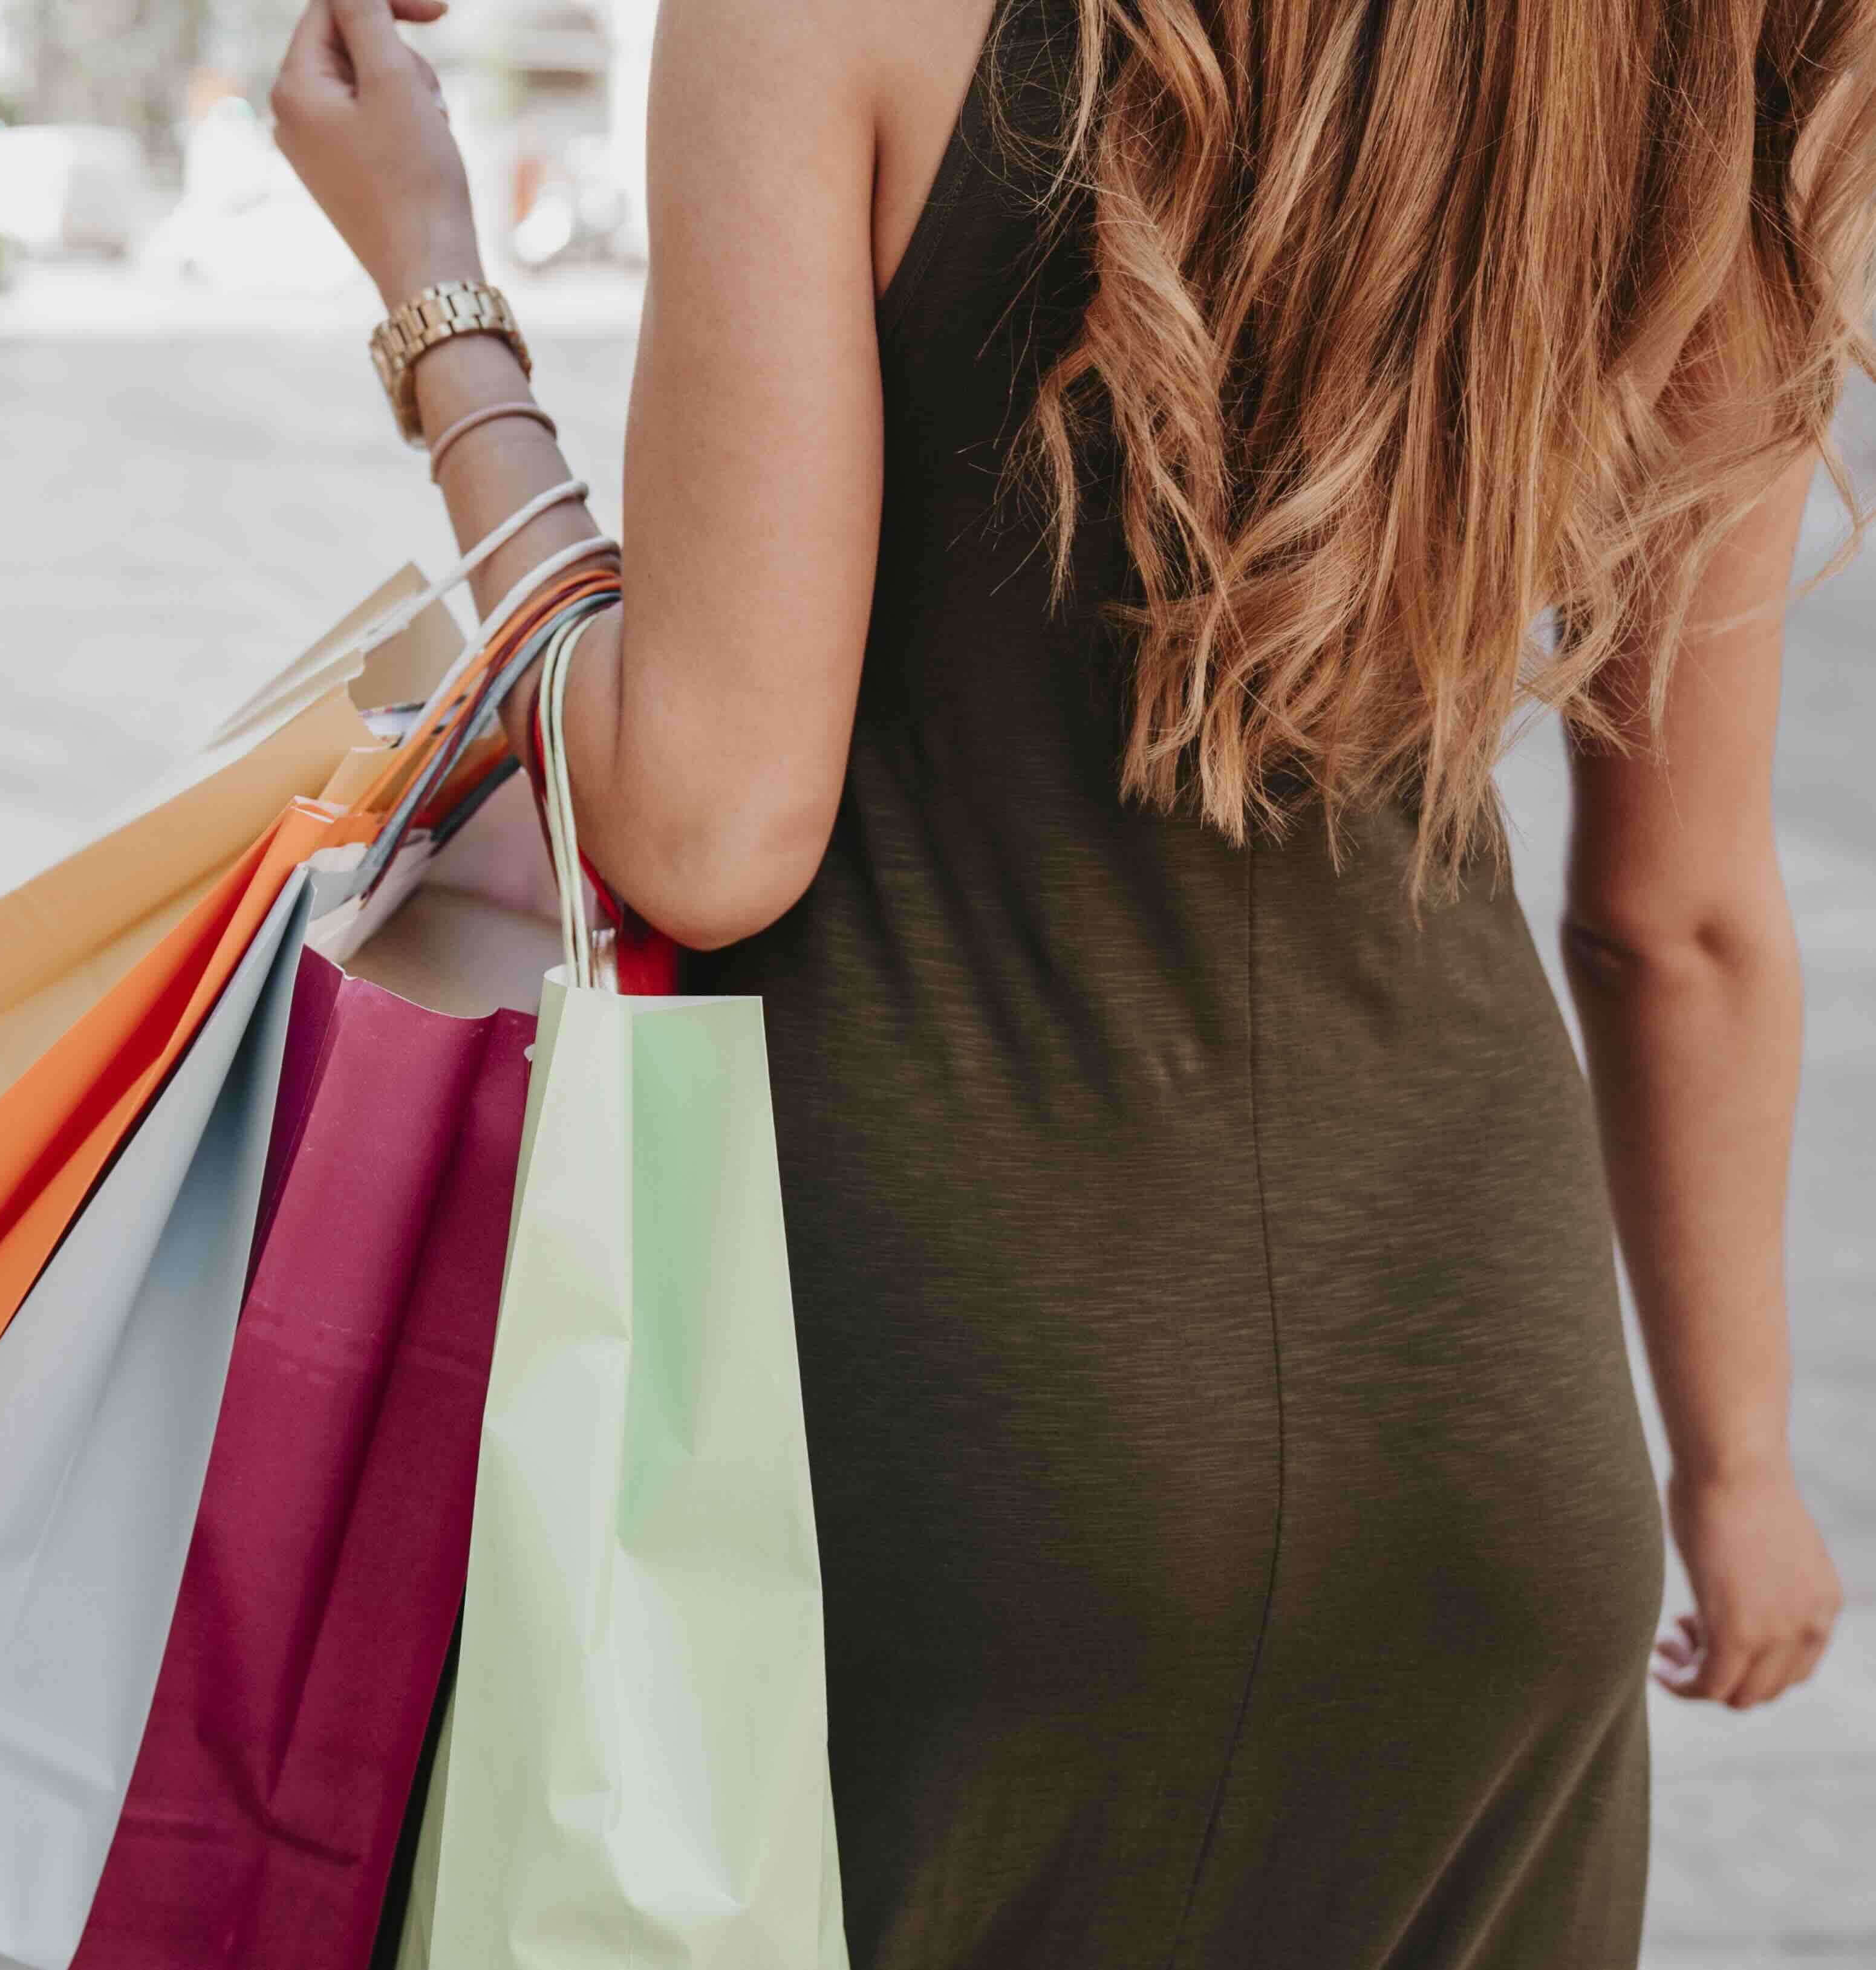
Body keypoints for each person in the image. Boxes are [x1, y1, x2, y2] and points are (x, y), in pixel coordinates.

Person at [272, 0, 1865, 1960]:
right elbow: (1677, 916)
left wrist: (436, 292)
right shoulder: (1715, 60)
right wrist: (1741, 1468)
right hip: (1497, 1455)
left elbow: (704, 816)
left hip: (951, 1443)